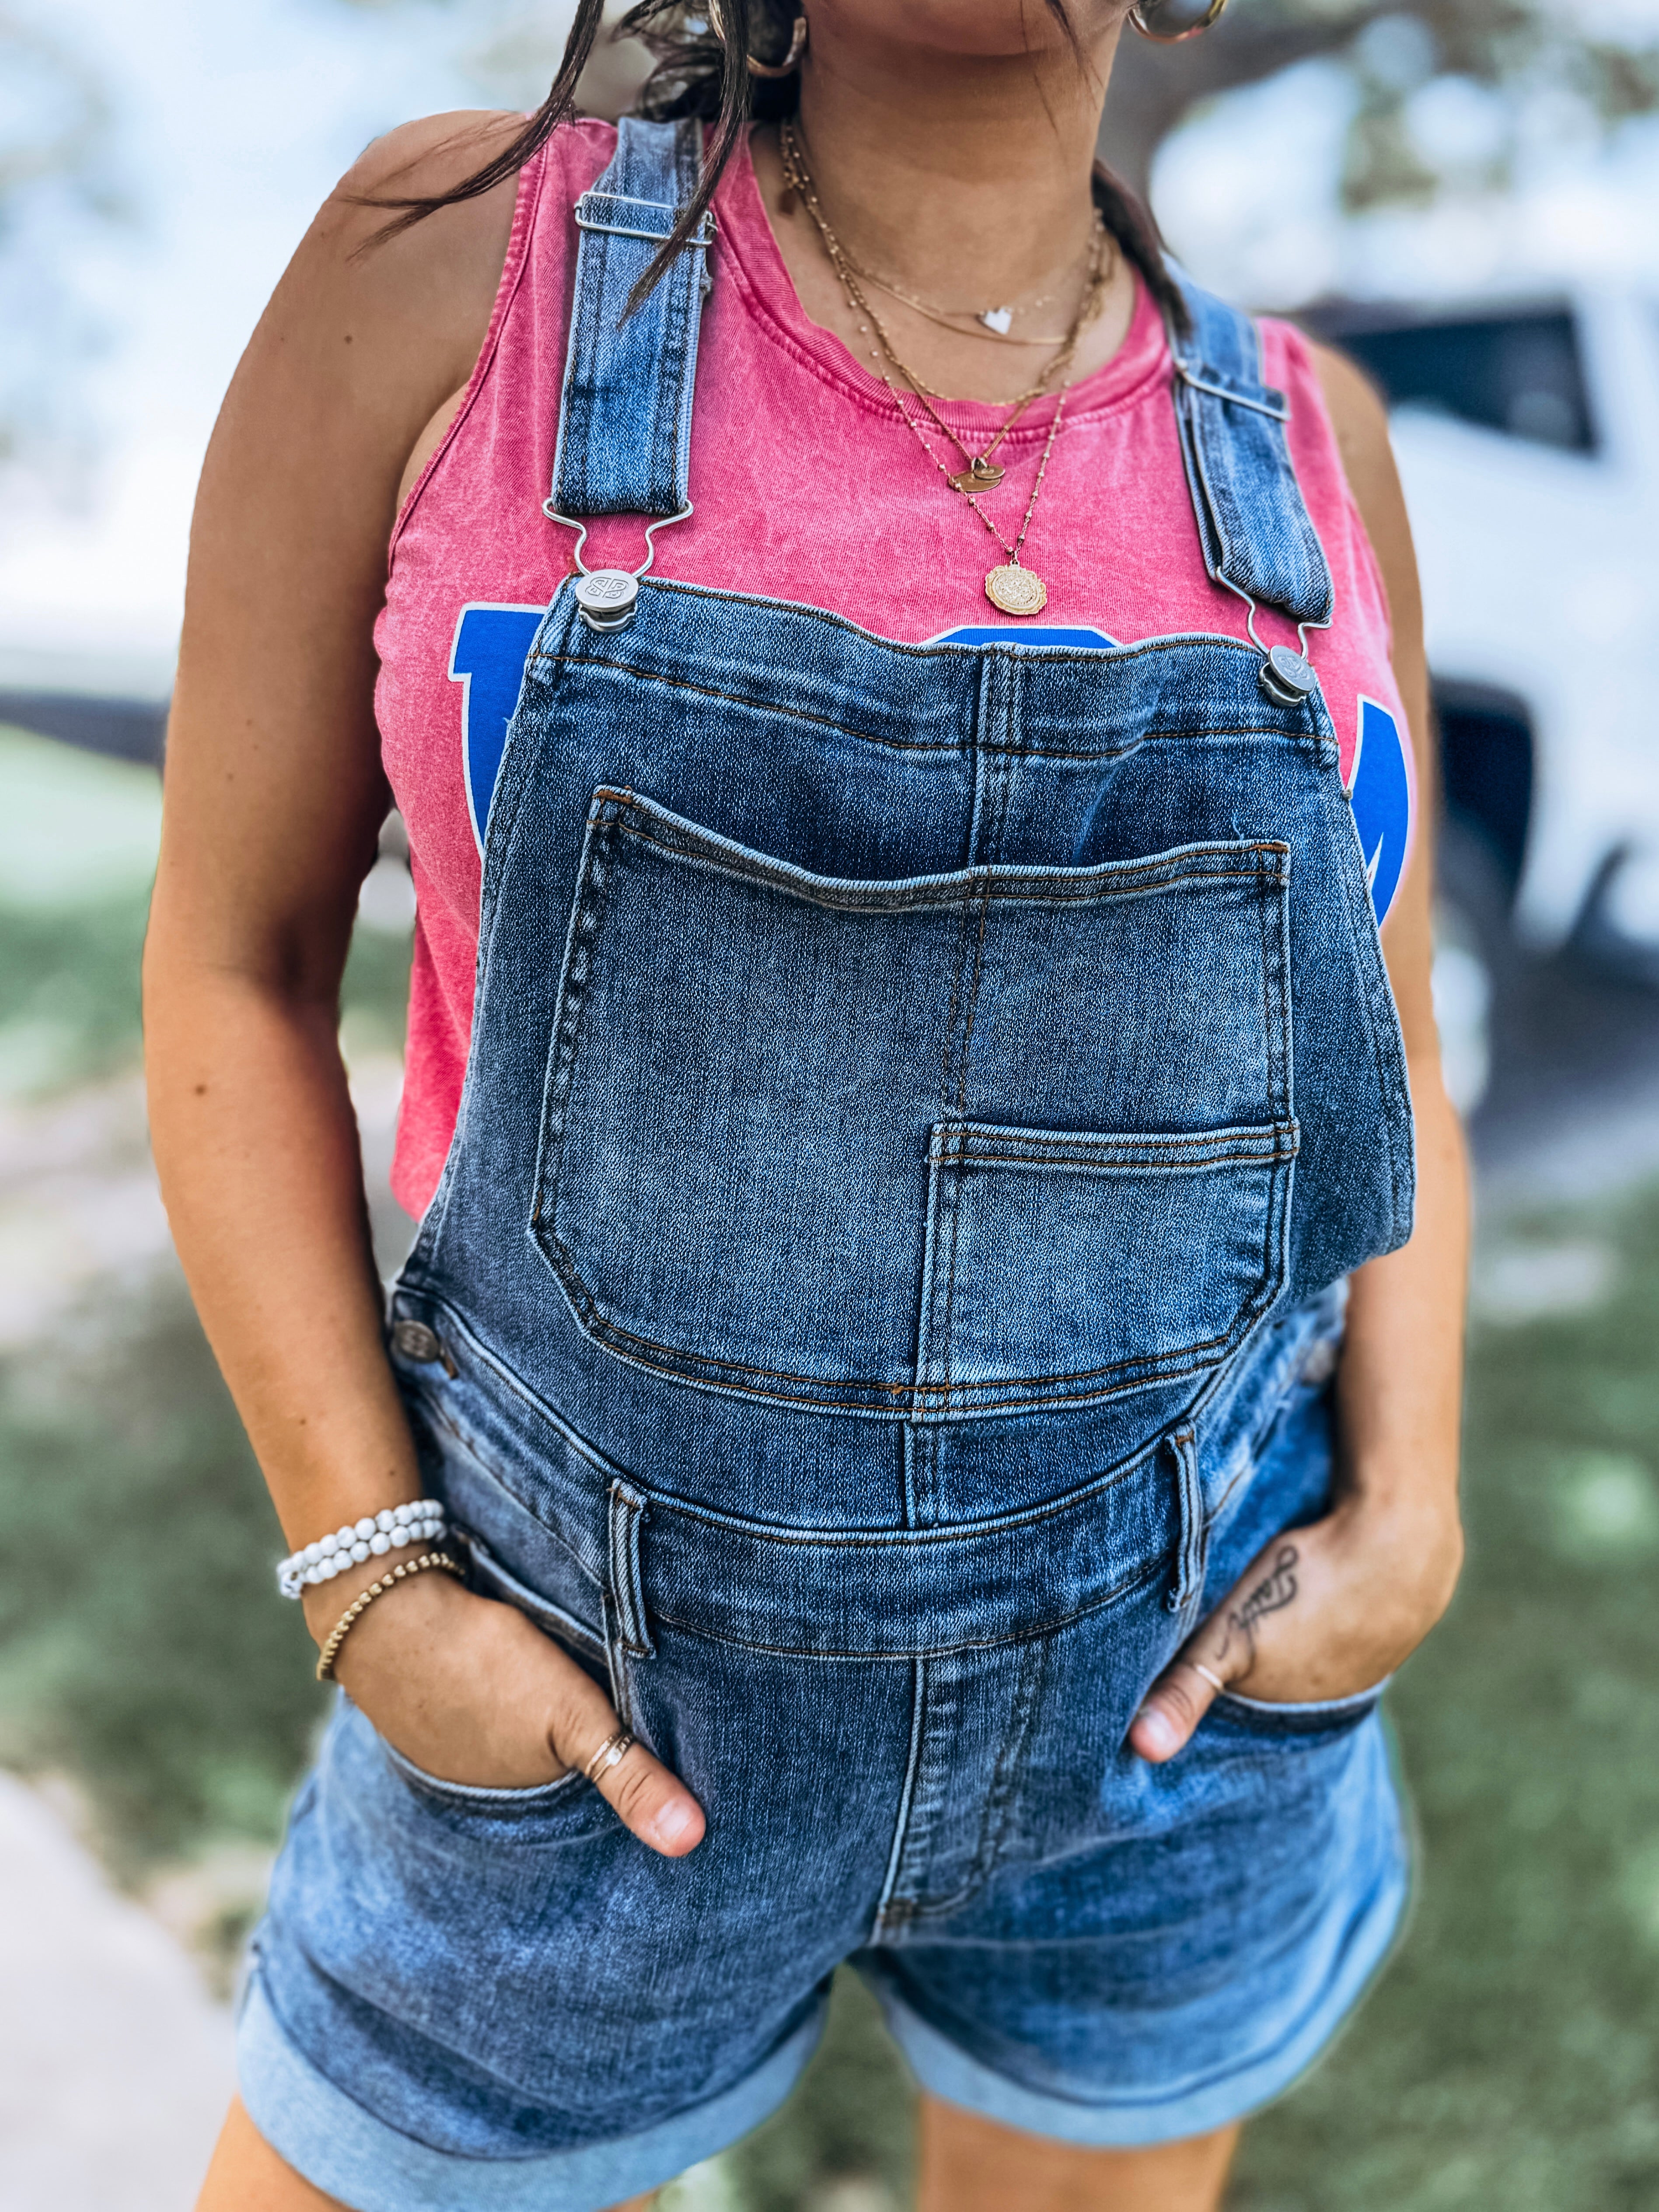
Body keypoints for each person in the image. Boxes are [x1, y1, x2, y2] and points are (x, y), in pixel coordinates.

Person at [150, 1, 1468, 2205]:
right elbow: (232, 963)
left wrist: (1409, 1507)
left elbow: (1391, 1037)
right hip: (576, 1743)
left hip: (1180, 1733)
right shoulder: (452, 262)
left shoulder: (1308, 435)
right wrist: (373, 1586)